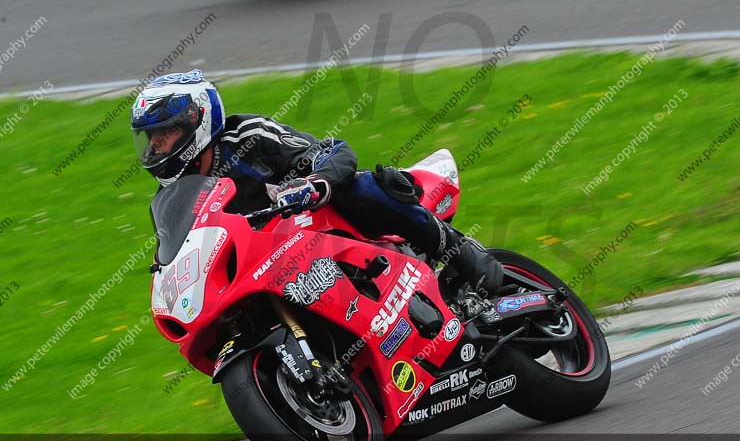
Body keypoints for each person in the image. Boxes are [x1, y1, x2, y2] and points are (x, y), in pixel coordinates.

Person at [131, 70, 503, 297]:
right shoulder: (170, 197)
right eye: (149, 138)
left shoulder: (248, 135)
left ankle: (462, 253)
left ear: (195, 122)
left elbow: (331, 151)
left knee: (362, 187)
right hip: (266, 263)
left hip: (314, 224)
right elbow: (182, 252)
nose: (155, 146)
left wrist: (316, 182)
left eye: (163, 133)